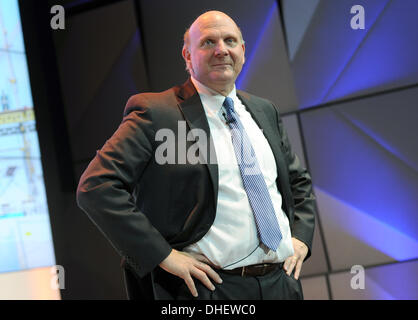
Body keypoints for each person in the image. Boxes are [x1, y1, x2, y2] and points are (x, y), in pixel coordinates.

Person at [76, 10, 316, 300]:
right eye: (207, 42)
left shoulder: (264, 110)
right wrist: (163, 255)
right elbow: (97, 186)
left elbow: (298, 182)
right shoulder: (157, 113)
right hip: (210, 290)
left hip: (282, 283)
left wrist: (301, 238)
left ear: (242, 50)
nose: (221, 50)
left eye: (230, 40)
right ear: (188, 56)